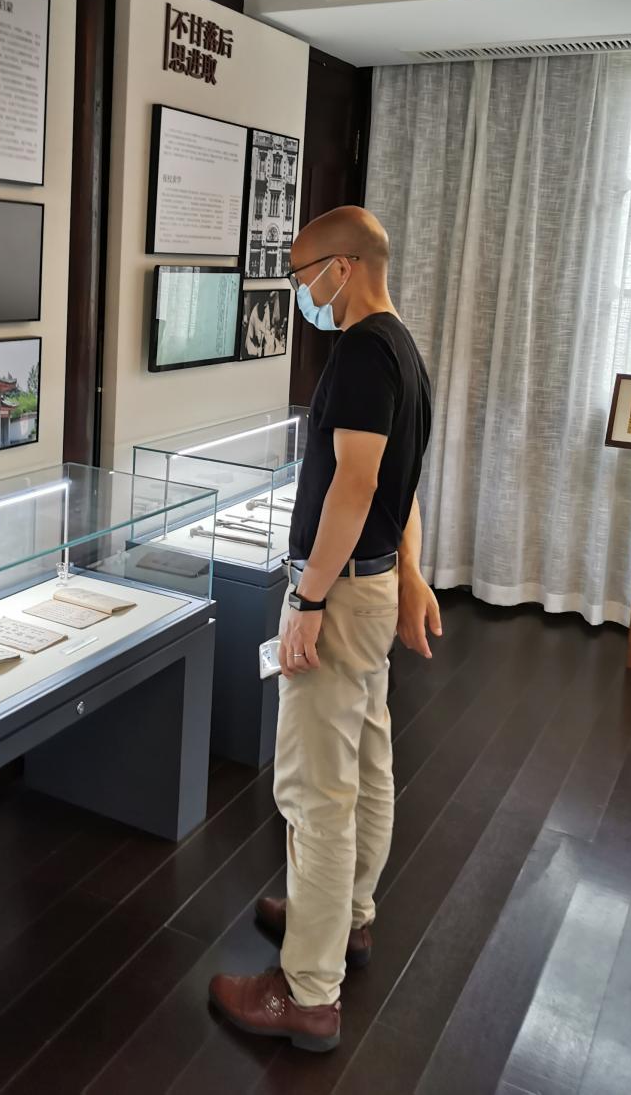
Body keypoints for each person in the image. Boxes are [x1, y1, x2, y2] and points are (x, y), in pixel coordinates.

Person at [208, 206, 441, 1053]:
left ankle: (307, 991)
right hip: (370, 586)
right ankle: (347, 917)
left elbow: (358, 483)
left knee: (317, 792)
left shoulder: (362, 353)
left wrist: (307, 601)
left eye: (304, 275)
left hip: (339, 594)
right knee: (367, 760)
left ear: (343, 267)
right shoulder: (405, 348)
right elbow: (403, 492)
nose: (301, 291)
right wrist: (409, 573)